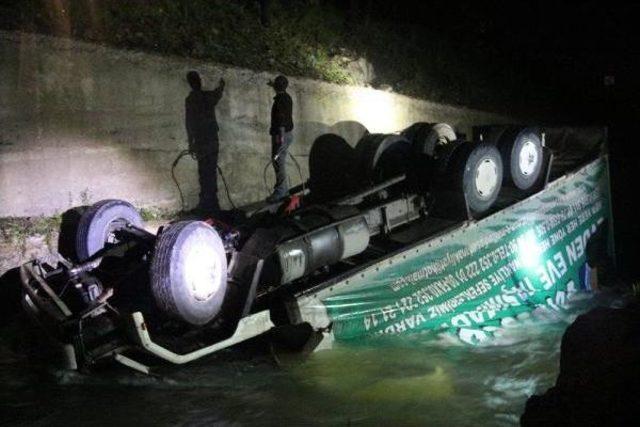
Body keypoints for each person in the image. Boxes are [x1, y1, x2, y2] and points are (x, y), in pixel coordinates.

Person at [185, 71, 225, 214]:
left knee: (204, 173)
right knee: (210, 171)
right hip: (211, 139)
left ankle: (206, 204)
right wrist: (222, 85)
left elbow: (189, 124)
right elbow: (218, 93)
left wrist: (191, 143)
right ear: (199, 81)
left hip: (201, 141)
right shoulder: (207, 96)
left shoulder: (190, 99)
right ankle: (212, 204)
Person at [267, 74, 294, 203]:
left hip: (281, 135)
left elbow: (281, 119)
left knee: (278, 162)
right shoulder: (286, 97)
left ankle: (281, 192)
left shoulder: (280, 100)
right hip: (286, 134)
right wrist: (273, 85)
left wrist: (281, 139)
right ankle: (284, 189)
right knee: (278, 161)